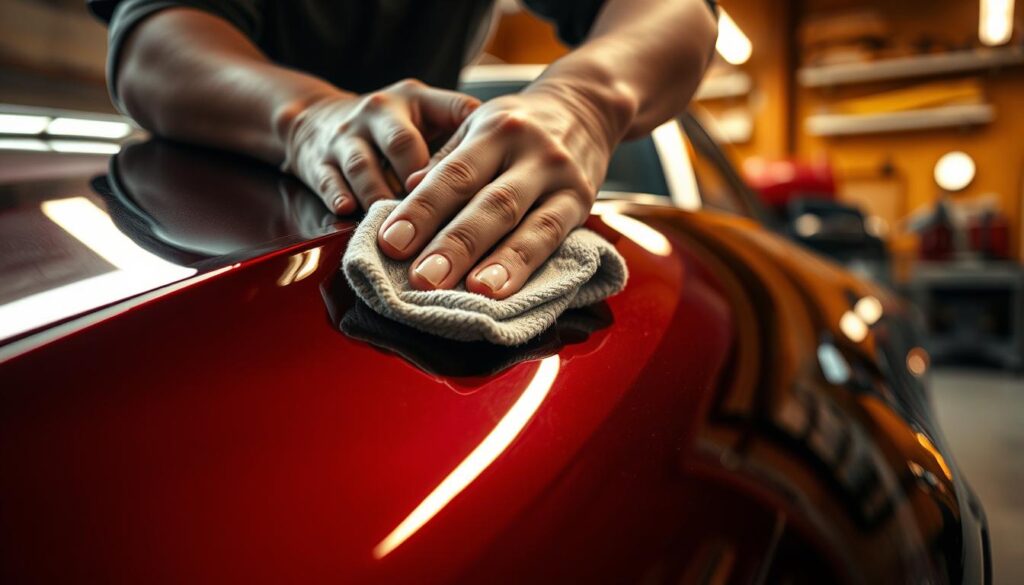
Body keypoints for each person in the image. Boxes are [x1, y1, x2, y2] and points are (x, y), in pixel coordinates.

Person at [88, 0, 718, 299]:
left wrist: (581, 102)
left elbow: (678, 12)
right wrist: (308, 120)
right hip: (188, 248)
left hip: (409, 199)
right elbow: (151, 41)